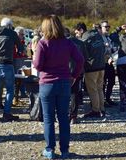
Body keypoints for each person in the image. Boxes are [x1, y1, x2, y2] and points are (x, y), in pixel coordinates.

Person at [33, 15, 84, 159]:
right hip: (64, 82)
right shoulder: (67, 43)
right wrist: (74, 75)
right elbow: (80, 60)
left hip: (47, 83)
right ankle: (65, 150)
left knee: (48, 119)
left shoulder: (43, 43)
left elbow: (37, 65)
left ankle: (50, 149)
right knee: (63, 118)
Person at [74, 22, 106, 118]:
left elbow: (84, 54)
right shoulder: (98, 35)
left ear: (81, 30)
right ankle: (102, 109)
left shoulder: (85, 39)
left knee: (92, 89)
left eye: (77, 33)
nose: (76, 35)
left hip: (92, 67)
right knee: (100, 88)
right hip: (101, 65)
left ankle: (96, 110)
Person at [65, 28, 87, 124]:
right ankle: (73, 116)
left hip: (64, 71)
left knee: (64, 94)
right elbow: (85, 57)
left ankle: (64, 115)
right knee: (75, 93)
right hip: (78, 71)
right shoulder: (80, 43)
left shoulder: (62, 43)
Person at [101, 21, 117, 106]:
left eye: (108, 26)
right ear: (101, 28)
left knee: (112, 81)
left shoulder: (108, 38)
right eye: (105, 27)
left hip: (109, 62)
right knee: (103, 83)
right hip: (102, 63)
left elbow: (110, 50)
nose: (107, 28)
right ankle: (102, 100)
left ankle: (107, 98)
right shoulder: (100, 38)